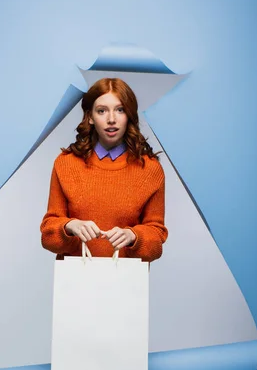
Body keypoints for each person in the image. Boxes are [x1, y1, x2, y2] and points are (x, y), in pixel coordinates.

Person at [40, 77, 168, 262]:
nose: (111, 119)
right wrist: (70, 226)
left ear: (129, 114)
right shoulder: (65, 164)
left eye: (120, 110)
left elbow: (156, 243)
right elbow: (48, 237)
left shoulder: (150, 169)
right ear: (90, 117)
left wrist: (134, 236)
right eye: (102, 111)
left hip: (126, 283)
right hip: (75, 284)